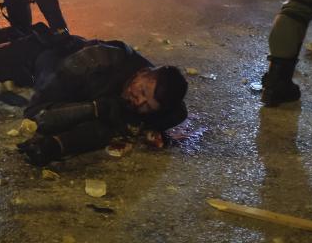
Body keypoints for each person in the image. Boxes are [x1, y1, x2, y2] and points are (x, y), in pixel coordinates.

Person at [15, 40, 188, 165]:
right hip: (37, 59)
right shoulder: (95, 62)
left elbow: (179, 113)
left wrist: (57, 145)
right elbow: (34, 115)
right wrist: (94, 109)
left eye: (147, 106)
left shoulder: (163, 101)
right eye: (141, 91)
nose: (139, 102)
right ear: (141, 73)